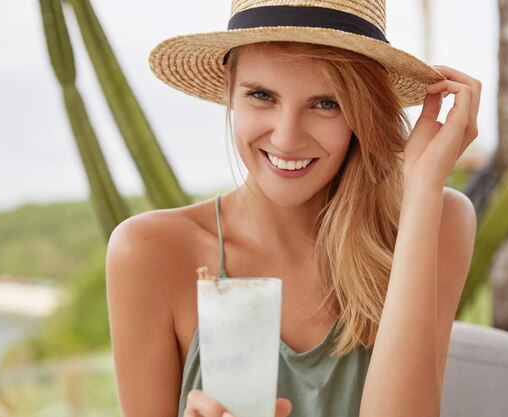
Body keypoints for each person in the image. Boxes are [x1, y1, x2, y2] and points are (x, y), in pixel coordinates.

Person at [106, 1, 480, 416]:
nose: (286, 139)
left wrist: (423, 186)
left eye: (327, 103)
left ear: (362, 112)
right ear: (229, 89)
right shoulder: (150, 252)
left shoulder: (436, 220)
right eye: (261, 96)